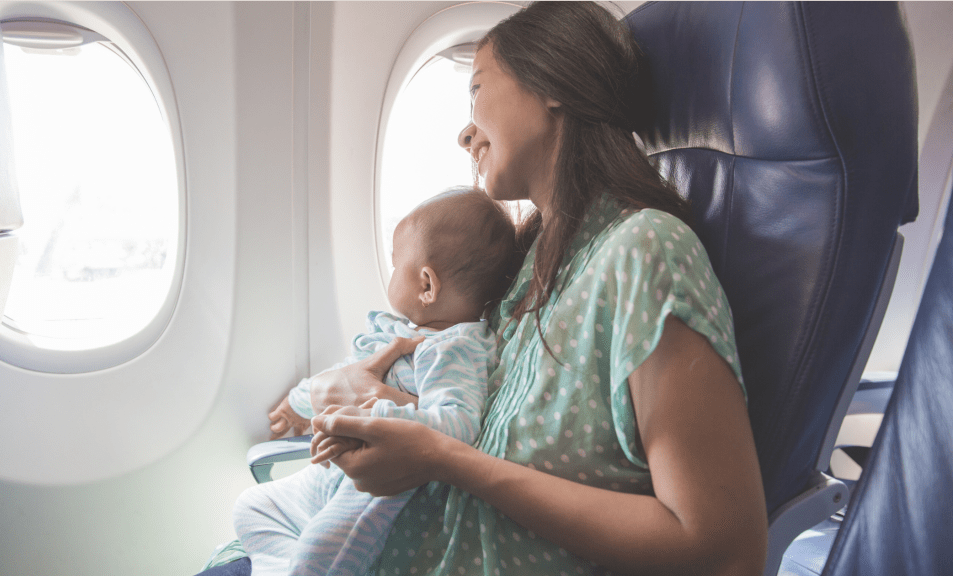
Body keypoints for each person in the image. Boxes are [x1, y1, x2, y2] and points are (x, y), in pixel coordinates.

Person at [305, 3, 769, 575]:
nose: (465, 132)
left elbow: (722, 548)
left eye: (477, 90)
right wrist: (374, 401)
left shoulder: (646, 252)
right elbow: (482, 425)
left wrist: (444, 460)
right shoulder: (532, 263)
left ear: (551, 85)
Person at [233, 187, 524, 576]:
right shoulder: (401, 331)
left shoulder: (456, 349)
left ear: (426, 285)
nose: (391, 271)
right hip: (331, 475)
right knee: (253, 506)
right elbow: (350, 370)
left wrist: (381, 414)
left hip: (376, 490)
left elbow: (459, 422)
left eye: (395, 263)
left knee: (315, 560)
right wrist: (300, 402)